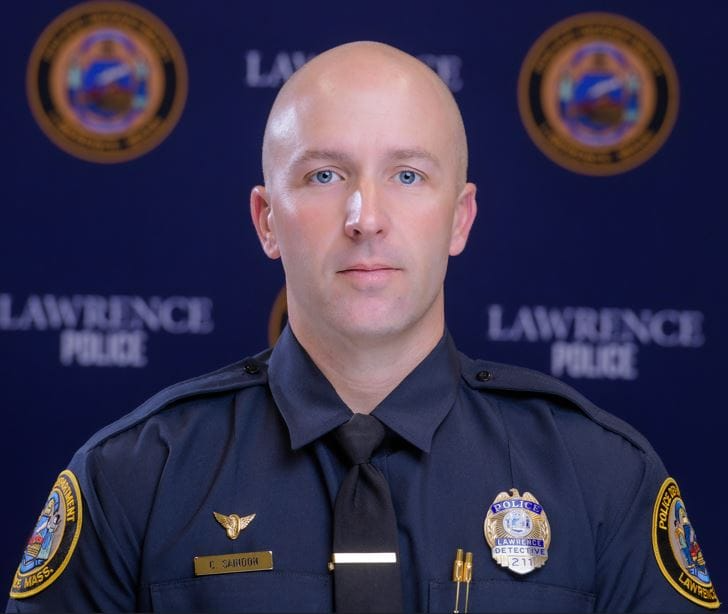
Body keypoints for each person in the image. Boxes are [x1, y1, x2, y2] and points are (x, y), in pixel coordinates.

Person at [6, 41, 719, 613]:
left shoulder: (602, 478)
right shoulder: (134, 477)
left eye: (407, 176)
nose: (365, 217)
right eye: (324, 176)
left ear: (460, 219)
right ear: (266, 221)